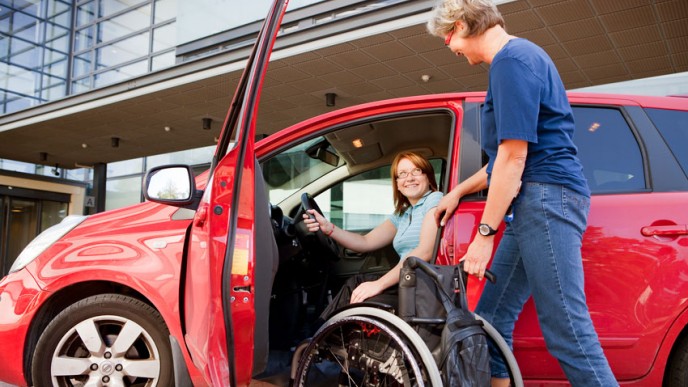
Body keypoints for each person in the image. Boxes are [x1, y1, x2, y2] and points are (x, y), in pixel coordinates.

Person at [427, 1, 618, 386]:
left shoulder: (511, 61)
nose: (449, 47)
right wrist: (456, 193)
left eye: (447, 38)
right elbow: (502, 160)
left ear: (462, 26)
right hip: (534, 200)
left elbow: (514, 158)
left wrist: (484, 234)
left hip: (546, 198)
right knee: (493, 319)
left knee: (565, 328)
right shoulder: (518, 58)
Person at [303, 151, 443, 318]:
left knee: (362, 293)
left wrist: (379, 284)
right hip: (406, 280)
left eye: (416, 171)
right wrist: (329, 228)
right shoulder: (403, 214)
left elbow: (425, 251)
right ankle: (322, 332)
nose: (410, 178)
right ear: (397, 183)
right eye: (403, 174)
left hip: (421, 284)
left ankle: (321, 336)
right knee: (355, 283)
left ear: (428, 177)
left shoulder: (435, 199)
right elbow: (366, 241)